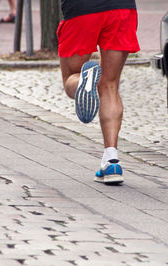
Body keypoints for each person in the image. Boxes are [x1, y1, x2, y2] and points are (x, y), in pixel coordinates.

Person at [57, 0, 140, 184]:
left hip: (81, 9)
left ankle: (82, 83)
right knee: (109, 85)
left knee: (71, 76)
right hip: (121, 8)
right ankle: (111, 161)